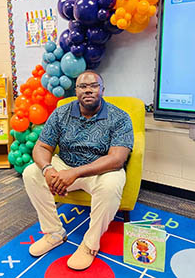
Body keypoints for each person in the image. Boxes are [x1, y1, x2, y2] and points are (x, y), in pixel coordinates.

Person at [22, 70, 134, 270]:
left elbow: (117, 159)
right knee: (31, 173)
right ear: (76, 91)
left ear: (102, 90)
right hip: (64, 165)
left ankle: (90, 244)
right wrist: (48, 170)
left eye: (94, 86)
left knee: (111, 185)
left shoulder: (120, 117)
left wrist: (75, 173)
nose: (89, 90)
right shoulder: (61, 113)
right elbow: (41, 147)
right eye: (83, 86)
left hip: (100, 169)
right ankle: (54, 233)